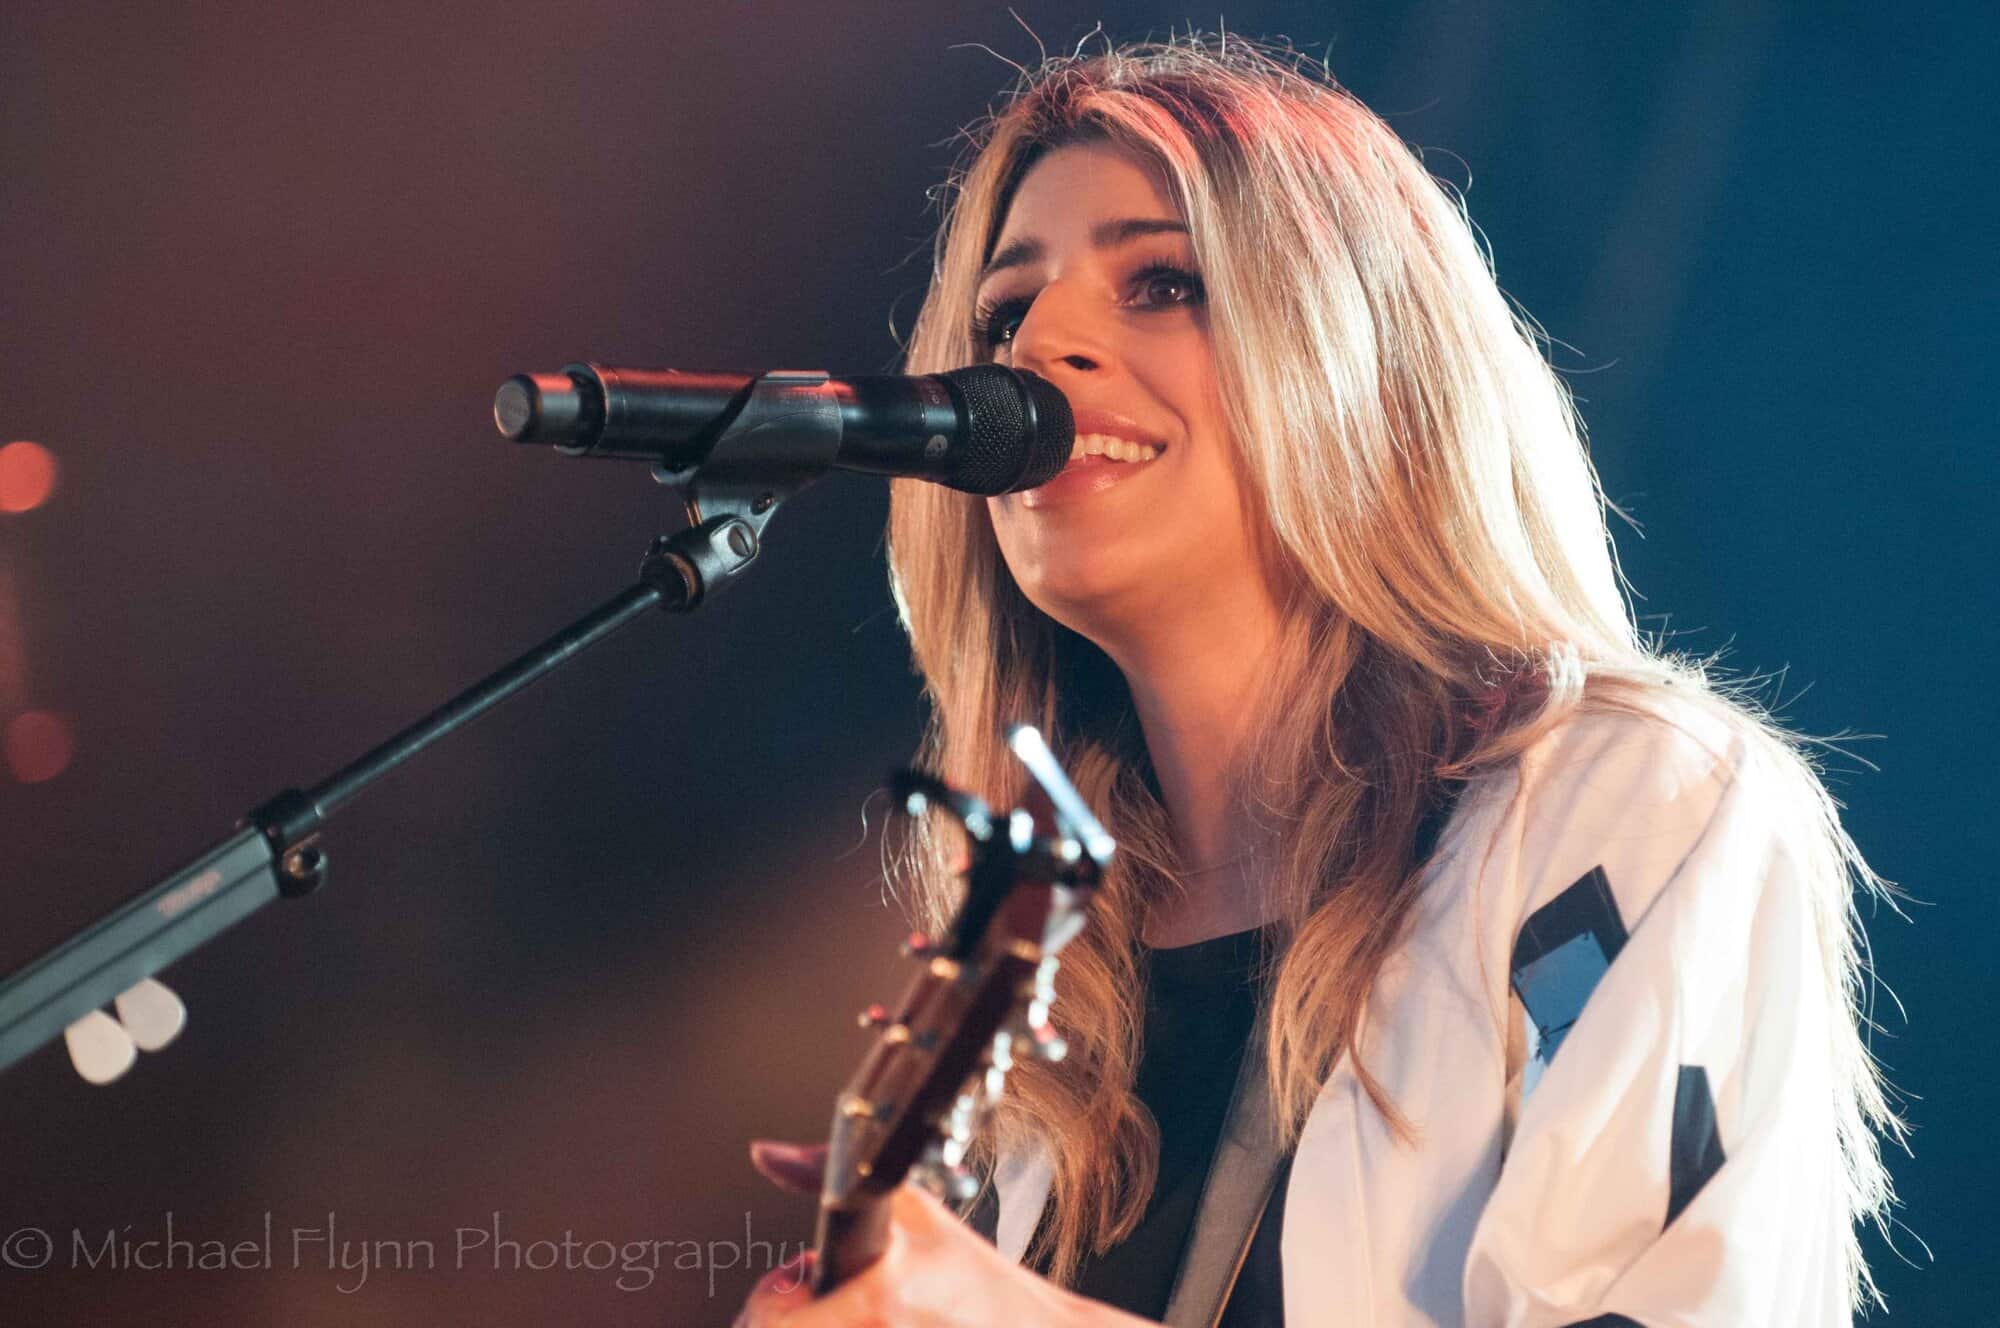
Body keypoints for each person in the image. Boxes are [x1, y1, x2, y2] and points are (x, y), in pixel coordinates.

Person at [735, 34, 1898, 1327]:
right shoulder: (1047, 963)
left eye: (1163, 282)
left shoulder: (1624, 805)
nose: (1041, 343)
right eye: (1006, 312)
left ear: (1368, 364)